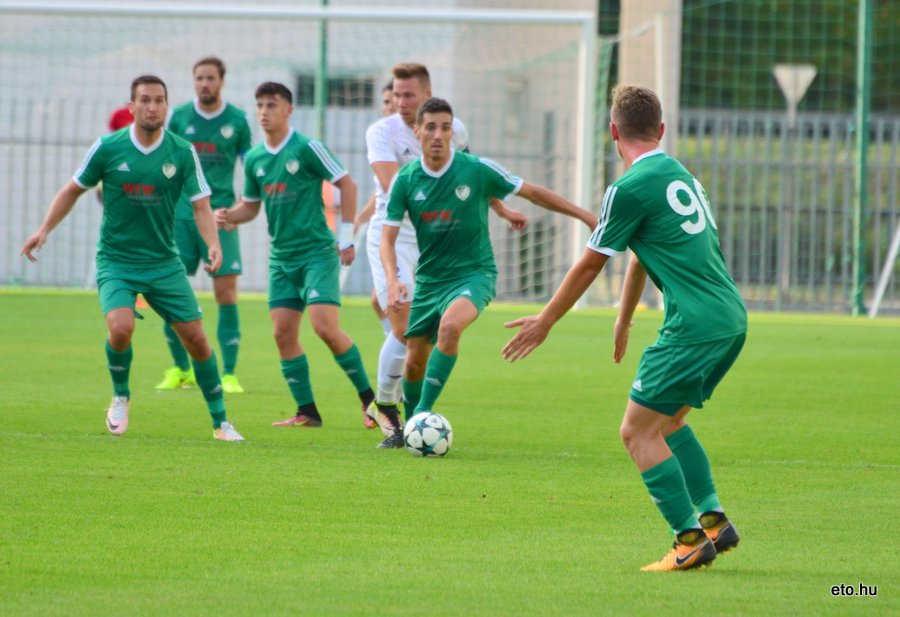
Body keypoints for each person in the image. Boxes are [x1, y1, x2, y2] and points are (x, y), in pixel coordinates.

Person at [502, 85, 747, 571]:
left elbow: (591, 263)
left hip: (693, 326)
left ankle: (688, 540)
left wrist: (546, 320)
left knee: (636, 433)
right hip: (730, 319)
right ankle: (714, 520)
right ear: (661, 130)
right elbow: (640, 254)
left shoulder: (628, 188)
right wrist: (624, 315)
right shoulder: (680, 175)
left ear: (612, 131)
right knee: (667, 423)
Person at [20, 75, 244, 442]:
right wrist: (44, 229)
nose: (152, 107)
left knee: (197, 340)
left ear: (166, 107)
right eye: (145, 100)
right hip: (117, 261)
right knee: (121, 328)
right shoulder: (108, 147)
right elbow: (72, 190)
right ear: (132, 106)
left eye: (159, 100)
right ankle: (121, 395)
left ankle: (221, 423)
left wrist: (213, 244)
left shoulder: (181, 151)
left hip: (163, 263)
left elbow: (201, 206)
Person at [379, 97, 597, 448]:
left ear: (453, 132)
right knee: (414, 364)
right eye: (430, 127)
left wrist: (585, 216)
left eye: (445, 127)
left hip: (474, 274)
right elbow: (386, 239)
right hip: (430, 280)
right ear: (417, 131)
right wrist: (392, 280)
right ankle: (412, 425)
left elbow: (533, 193)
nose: (438, 135)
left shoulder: (476, 169)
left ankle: (420, 419)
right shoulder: (405, 180)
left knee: (451, 327)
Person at [364, 63, 527, 441]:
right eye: (396, 95)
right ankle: (386, 404)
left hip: (435, 237)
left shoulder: (456, 130)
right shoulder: (381, 132)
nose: (400, 103)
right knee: (404, 329)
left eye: (408, 95)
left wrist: (501, 208)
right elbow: (393, 184)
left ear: (427, 95)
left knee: (423, 338)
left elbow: (469, 176)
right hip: (394, 235)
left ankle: (407, 411)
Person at [216, 82, 375, 428]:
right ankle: (308, 412)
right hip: (281, 261)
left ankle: (371, 402)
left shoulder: (306, 148)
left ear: (288, 110)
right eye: (260, 105)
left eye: (271, 105)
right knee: (282, 334)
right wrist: (229, 216)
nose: (264, 111)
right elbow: (251, 206)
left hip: (316, 254)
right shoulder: (255, 159)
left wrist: (346, 236)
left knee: (325, 328)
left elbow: (347, 183)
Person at [155, 56, 252, 394]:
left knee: (226, 294)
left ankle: (229, 374)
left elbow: (251, 169)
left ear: (221, 81)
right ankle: (181, 369)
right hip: (181, 216)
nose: (204, 84)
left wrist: (239, 210)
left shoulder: (238, 121)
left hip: (221, 216)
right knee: (170, 292)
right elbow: (164, 162)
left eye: (210, 78)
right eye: (199, 78)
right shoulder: (179, 117)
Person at [354, 79, 397, 340]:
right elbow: (382, 191)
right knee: (378, 301)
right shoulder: (380, 138)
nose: (390, 106)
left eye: (396, 100)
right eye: (386, 102)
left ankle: (404, 348)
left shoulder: (416, 139)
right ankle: (398, 345)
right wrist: (360, 218)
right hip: (387, 230)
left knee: (396, 300)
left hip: (413, 230)